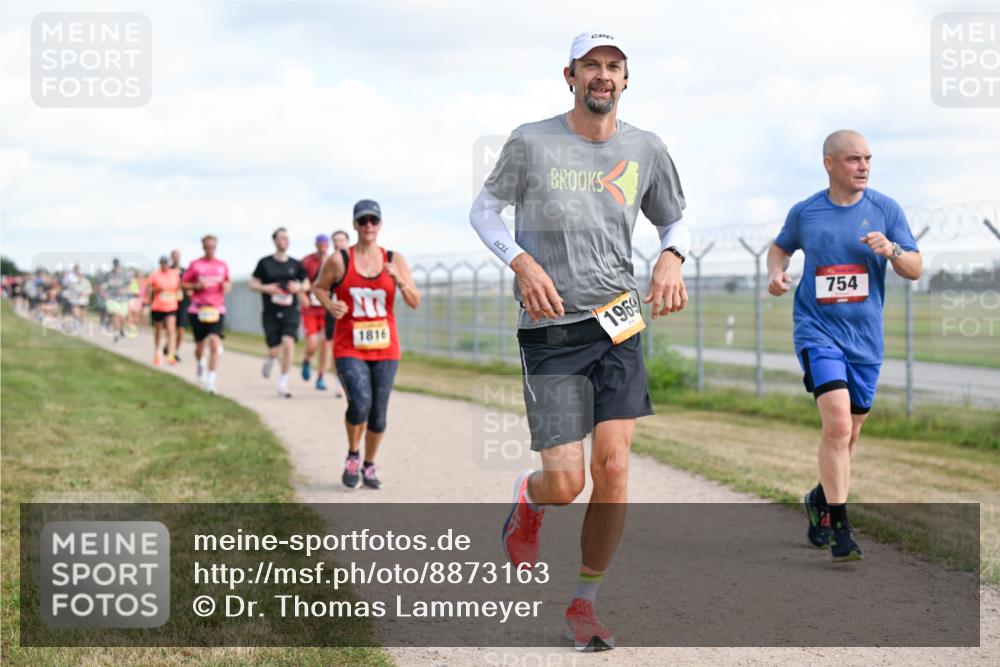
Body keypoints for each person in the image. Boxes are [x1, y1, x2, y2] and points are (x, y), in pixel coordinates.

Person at [469, 31, 691, 651]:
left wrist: (671, 255)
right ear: (569, 75)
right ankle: (530, 501)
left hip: (619, 321)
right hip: (552, 330)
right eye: (591, 65)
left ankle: (585, 605)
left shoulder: (646, 147)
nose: (603, 75)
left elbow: (672, 216)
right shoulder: (532, 141)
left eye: (613, 66)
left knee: (614, 469)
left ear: (626, 79)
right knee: (566, 483)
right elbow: (483, 212)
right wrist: (521, 262)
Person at [768, 129, 922, 563]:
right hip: (817, 332)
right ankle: (842, 529)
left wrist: (891, 249)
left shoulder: (885, 210)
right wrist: (776, 274)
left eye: (868, 159)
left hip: (865, 341)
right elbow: (780, 249)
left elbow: (915, 267)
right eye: (854, 159)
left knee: (849, 435)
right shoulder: (807, 212)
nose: (864, 167)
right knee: (836, 426)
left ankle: (819, 499)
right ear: (830, 163)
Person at [313, 200, 420, 490]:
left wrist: (401, 282)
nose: (368, 226)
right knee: (359, 403)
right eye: (363, 221)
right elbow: (319, 287)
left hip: (386, 349)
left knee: (378, 414)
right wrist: (329, 304)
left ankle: (369, 464)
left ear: (380, 224)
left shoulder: (394, 259)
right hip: (349, 345)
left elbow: (414, 302)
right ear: (355, 225)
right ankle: (352, 454)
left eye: (373, 220)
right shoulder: (339, 260)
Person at [250, 228, 309, 398]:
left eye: (287, 238)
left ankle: (283, 383)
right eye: (282, 238)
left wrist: (299, 287)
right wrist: (265, 288)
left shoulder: (295, 264)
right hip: (270, 312)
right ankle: (270, 358)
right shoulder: (264, 263)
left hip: (290, 310)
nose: (285, 241)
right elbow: (252, 284)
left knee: (288, 342)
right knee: (275, 348)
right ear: (275, 241)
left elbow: (306, 283)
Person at [183, 235, 231, 393]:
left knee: (214, 343)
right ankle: (200, 363)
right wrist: (197, 285)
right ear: (203, 247)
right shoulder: (195, 265)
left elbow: (228, 283)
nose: (210, 250)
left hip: (217, 309)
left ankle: (210, 381)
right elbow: (183, 284)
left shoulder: (222, 265)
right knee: (199, 347)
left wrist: (226, 287)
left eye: (213, 247)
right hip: (198, 309)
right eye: (207, 247)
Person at [300, 234, 333, 391]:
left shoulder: (333, 260)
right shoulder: (307, 261)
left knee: (326, 343)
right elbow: (299, 281)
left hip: (326, 308)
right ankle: (306, 359)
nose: (323, 246)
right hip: (310, 309)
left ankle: (321, 376)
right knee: (313, 343)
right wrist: (301, 295)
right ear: (316, 245)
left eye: (325, 244)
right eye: (320, 244)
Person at [148, 255, 181, 366]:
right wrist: (157, 289)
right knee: (158, 330)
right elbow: (149, 288)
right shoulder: (154, 274)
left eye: (166, 262)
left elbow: (178, 287)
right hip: (158, 306)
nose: (164, 264)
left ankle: (171, 354)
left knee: (171, 330)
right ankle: (157, 352)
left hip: (171, 305)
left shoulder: (174, 273)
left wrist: (179, 293)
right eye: (162, 262)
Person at [168, 249, 189, 362]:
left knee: (181, 328)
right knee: (171, 327)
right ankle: (169, 345)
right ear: (171, 257)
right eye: (174, 256)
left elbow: (190, 284)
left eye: (178, 256)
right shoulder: (167, 270)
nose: (176, 258)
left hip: (183, 302)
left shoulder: (185, 271)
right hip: (170, 302)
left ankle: (175, 351)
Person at [101, 259, 129, 342]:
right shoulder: (108, 275)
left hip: (122, 299)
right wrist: (103, 292)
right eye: (115, 265)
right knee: (115, 315)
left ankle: (121, 329)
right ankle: (116, 334)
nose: (116, 267)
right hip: (112, 298)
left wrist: (124, 289)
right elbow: (102, 285)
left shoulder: (124, 274)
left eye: (117, 265)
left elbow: (129, 285)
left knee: (122, 317)